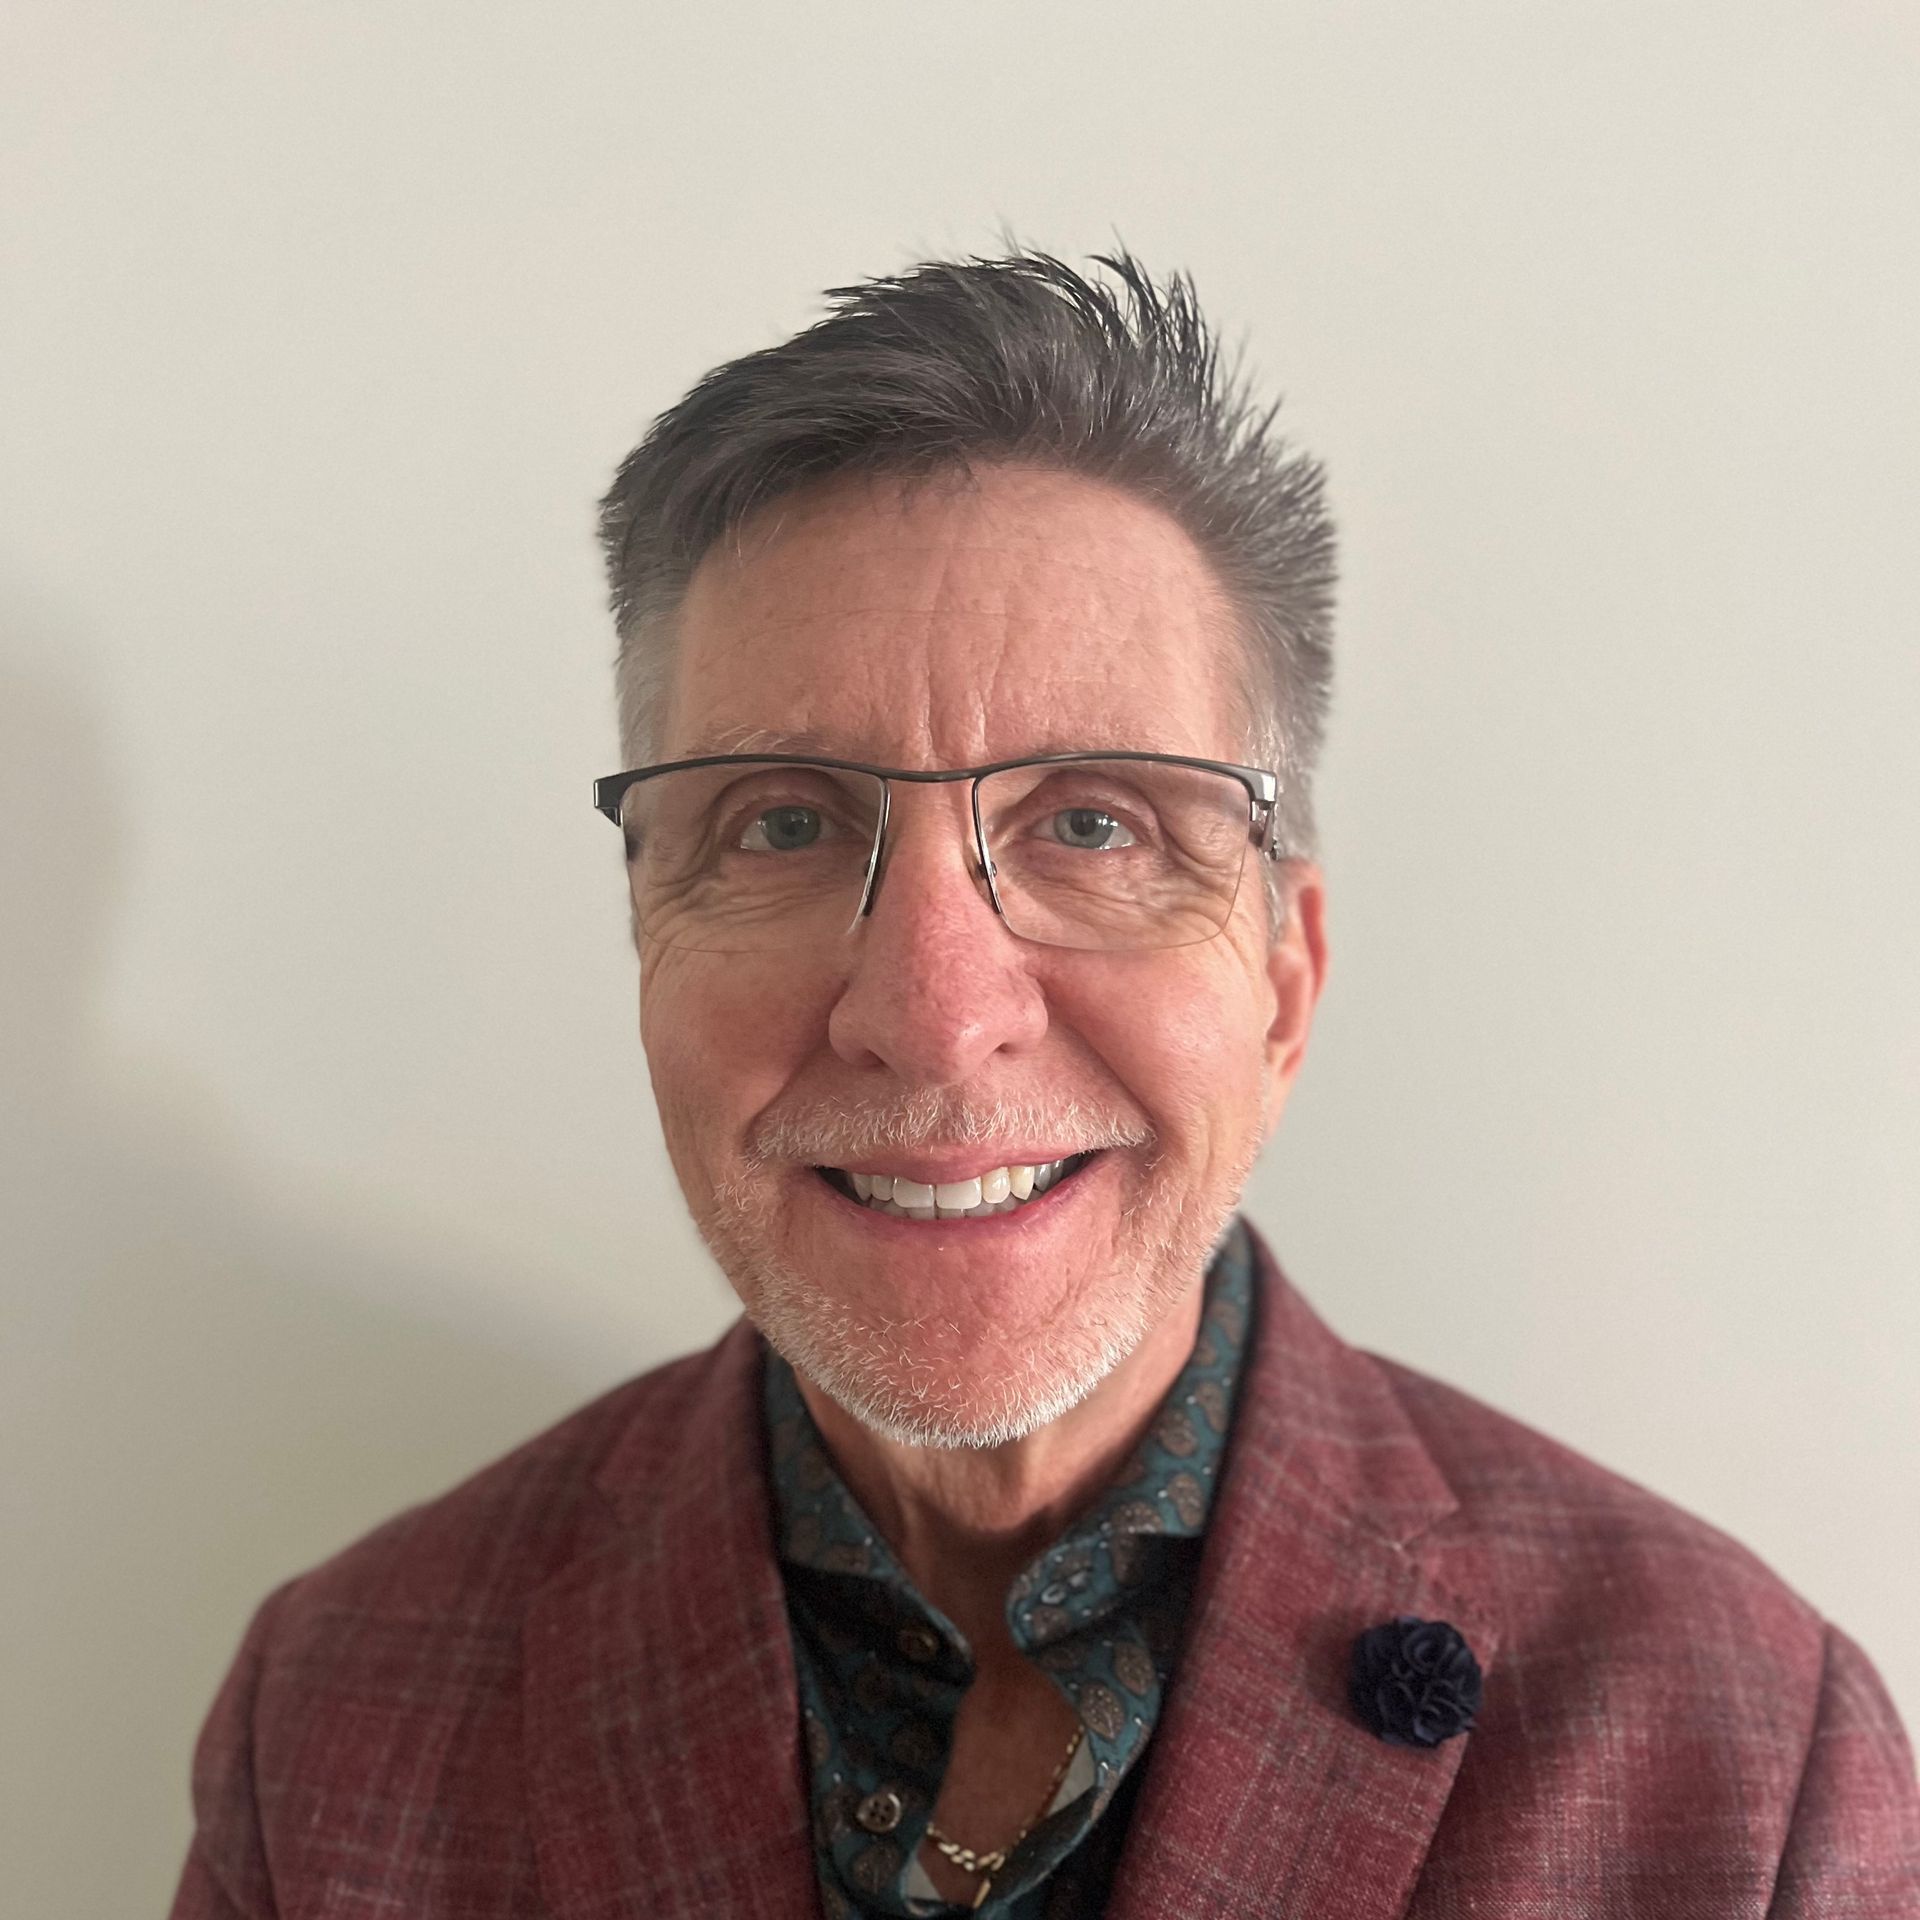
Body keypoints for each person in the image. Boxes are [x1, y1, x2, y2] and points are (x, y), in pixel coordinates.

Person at [170, 251, 1919, 1919]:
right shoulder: (333, 1717)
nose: (933, 1018)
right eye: (782, 823)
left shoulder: (1745, 1763)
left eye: (1094, 825)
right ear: (644, 936)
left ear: (1285, 983)